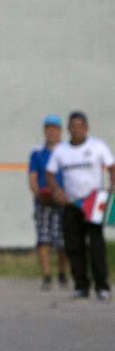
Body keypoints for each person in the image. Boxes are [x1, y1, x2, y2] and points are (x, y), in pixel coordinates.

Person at [45, 111, 114, 302]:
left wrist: (111, 188)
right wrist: (57, 191)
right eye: (72, 126)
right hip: (71, 204)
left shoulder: (97, 146)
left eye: (80, 126)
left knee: (96, 245)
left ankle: (102, 287)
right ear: (68, 129)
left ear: (86, 127)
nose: (76, 130)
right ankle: (81, 285)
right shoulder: (61, 151)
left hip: (93, 204)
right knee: (74, 246)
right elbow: (49, 173)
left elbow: (111, 166)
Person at [28, 114, 68, 291]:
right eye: (48, 128)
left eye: (55, 128)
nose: (51, 132)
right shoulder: (38, 153)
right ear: (45, 131)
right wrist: (38, 193)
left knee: (63, 240)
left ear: (60, 131)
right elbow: (33, 176)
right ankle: (46, 275)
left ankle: (62, 273)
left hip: (64, 202)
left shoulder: (67, 151)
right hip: (44, 202)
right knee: (44, 239)